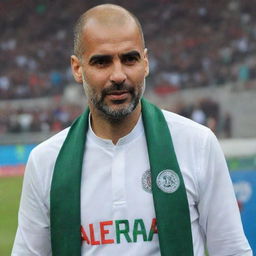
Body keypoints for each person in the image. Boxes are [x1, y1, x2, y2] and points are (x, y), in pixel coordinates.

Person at [12, 4, 252, 256]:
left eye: (129, 59)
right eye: (102, 62)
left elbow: (232, 250)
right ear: (77, 68)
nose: (118, 75)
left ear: (145, 63)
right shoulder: (46, 161)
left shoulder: (197, 143)